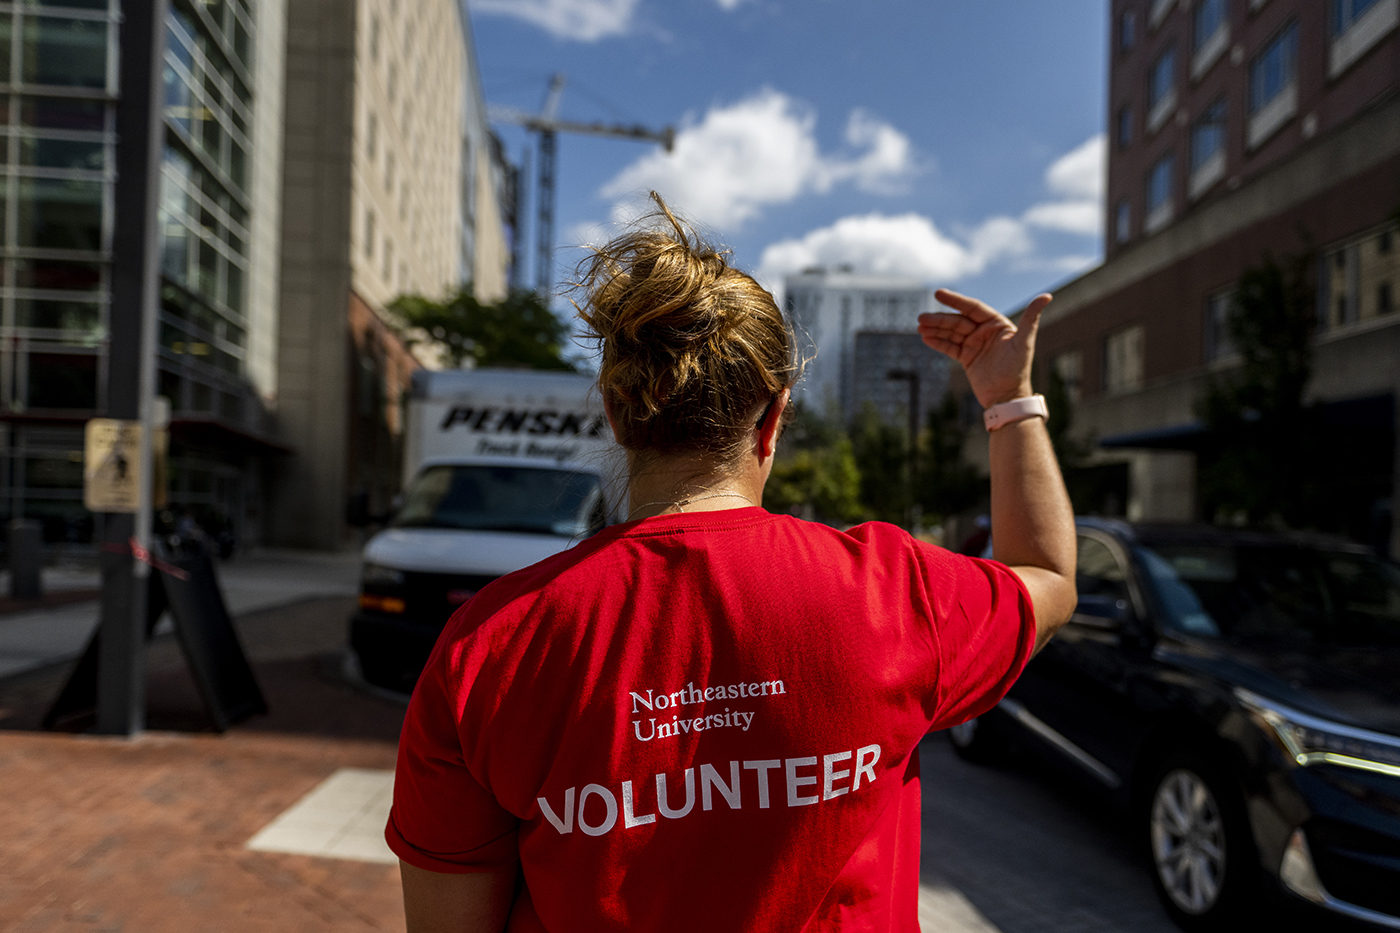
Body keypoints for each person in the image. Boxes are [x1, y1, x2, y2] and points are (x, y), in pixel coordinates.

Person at [386, 195, 1077, 932]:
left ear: (617, 415)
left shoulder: (488, 644)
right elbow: (1049, 576)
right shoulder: (894, 591)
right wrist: (1009, 399)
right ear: (773, 419)